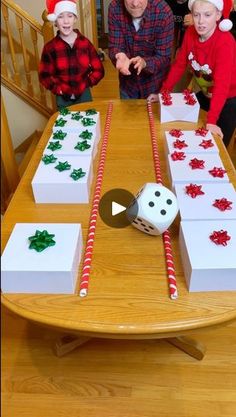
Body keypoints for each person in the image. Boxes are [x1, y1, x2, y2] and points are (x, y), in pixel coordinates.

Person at [148, 0, 236, 147]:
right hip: (206, 93)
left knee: (218, 145)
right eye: (196, 15)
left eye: (207, 15)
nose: (201, 21)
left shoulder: (225, 42)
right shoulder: (190, 33)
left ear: (218, 15)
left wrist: (212, 121)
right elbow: (179, 65)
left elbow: (222, 85)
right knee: (188, 130)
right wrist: (163, 93)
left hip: (229, 98)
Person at [39, 0, 104, 109]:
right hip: (63, 98)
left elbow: (99, 70)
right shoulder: (50, 48)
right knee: (66, 125)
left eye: (69, 16)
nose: (66, 21)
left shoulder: (85, 43)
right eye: (60, 17)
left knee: (87, 123)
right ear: (55, 21)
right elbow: (44, 75)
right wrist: (57, 88)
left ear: (75, 19)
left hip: (84, 95)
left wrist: (87, 83)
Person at [108, 0, 174, 99]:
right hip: (128, 86)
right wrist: (119, 55)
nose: (135, 3)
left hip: (155, 87)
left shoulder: (163, 12)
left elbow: (164, 57)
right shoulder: (114, 8)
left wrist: (145, 63)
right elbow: (115, 46)